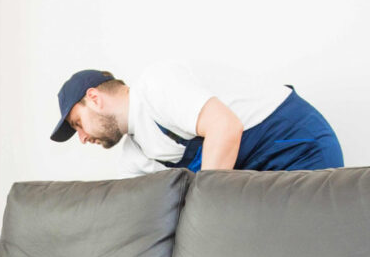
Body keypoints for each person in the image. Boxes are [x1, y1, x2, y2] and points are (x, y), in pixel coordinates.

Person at [50, 61, 344, 178]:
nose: (82, 138)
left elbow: (224, 128)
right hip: (253, 175)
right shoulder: (134, 157)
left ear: (95, 99)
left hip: (294, 144)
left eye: (78, 123)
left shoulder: (156, 85)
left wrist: (205, 212)